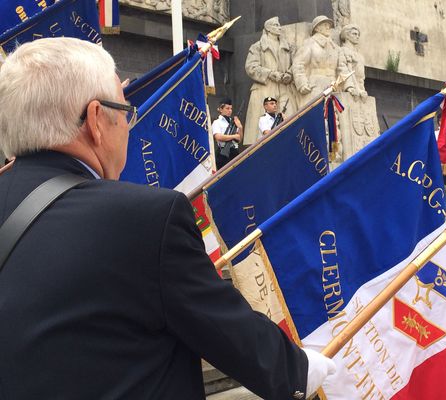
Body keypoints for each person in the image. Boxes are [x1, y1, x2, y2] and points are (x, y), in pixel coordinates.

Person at [0, 37, 335, 400]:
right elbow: (233, 337)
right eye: (127, 111)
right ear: (96, 120)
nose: (128, 125)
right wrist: (306, 370)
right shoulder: (143, 220)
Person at [244, 16, 297, 145]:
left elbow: (296, 64)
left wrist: (289, 74)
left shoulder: (289, 47)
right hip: (265, 87)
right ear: (268, 28)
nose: (279, 28)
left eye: (279, 25)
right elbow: (250, 67)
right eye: (276, 25)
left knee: (290, 121)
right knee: (262, 131)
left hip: (284, 87)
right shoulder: (257, 47)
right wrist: (270, 73)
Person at [292, 16, 352, 104]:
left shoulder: (336, 48)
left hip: (334, 86)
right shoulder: (310, 43)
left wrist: (349, 86)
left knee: (333, 116)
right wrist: (302, 84)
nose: (328, 27)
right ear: (317, 28)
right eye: (325, 25)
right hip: (316, 86)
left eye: (329, 25)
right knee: (316, 114)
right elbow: (298, 64)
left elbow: (343, 68)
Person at [212, 97, 243, 170]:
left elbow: (239, 139)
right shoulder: (217, 122)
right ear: (220, 109)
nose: (230, 111)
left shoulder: (234, 121)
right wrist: (234, 136)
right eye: (227, 108)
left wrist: (240, 127)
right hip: (222, 152)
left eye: (231, 108)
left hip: (234, 151)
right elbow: (218, 137)